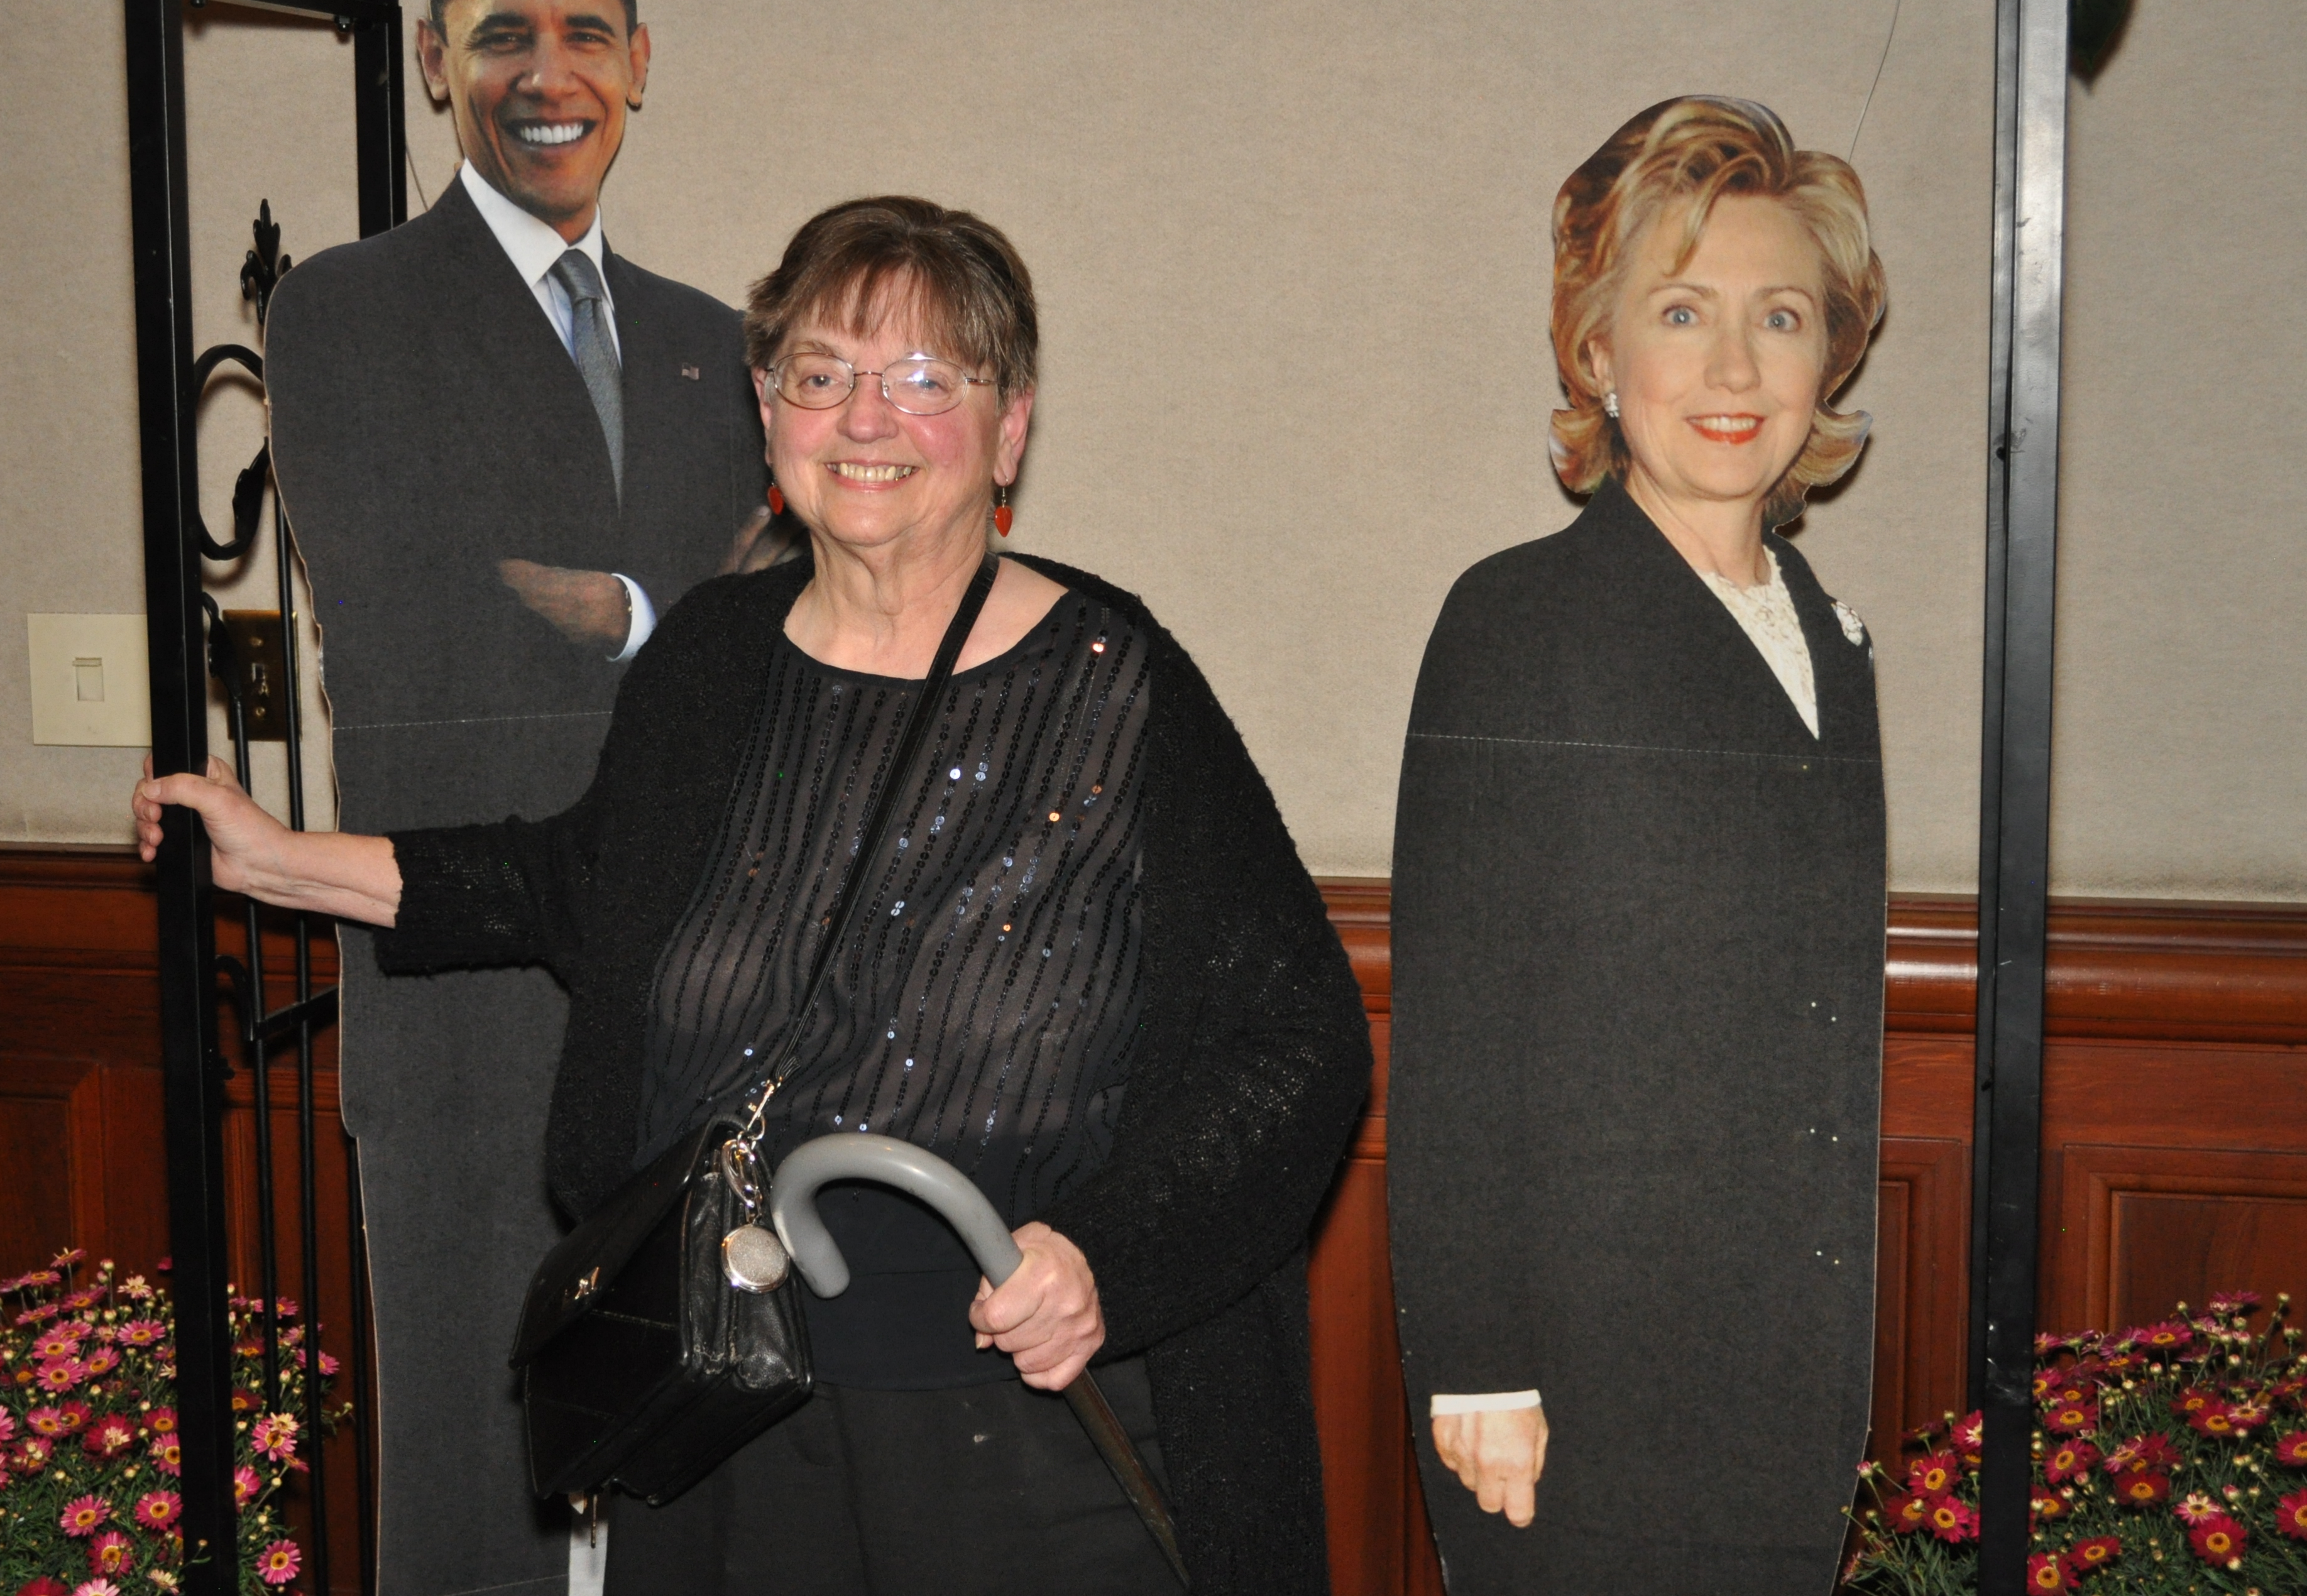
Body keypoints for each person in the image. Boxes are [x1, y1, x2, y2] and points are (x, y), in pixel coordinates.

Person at [145, 197, 1369, 1595]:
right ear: (768, 410)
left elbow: (1300, 1038)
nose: (866, 417)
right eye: (820, 372)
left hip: (1024, 1427)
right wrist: (274, 858)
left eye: (925, 377)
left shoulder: (1115, 678)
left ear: (1009, 426)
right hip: (727, 1404)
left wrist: (1108, 1259)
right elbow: (575, 883)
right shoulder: (711, 659)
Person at [258, 0, 777, 1590]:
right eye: (500, 36)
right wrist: (665, 610)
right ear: (431, 60)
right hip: (469, 999)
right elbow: (422, 603)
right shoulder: (343, 314)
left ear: (641, 62)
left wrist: (633, 609)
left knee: (700, 1472)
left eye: (583, 35)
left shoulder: (716, 346)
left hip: (698, 992)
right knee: (480, 1498)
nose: (547, 74)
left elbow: (783, 623)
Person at [1386, 97, 1889, 1593]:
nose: (1733, 368)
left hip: (1784, 1384)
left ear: (1826, 357)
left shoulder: (1829, 640)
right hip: (1576, 1396)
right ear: (1597, 354)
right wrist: (1477, 1359)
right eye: (1681, 312)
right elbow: (1459, 1024)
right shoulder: (1516, 620)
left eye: (1777, 316)